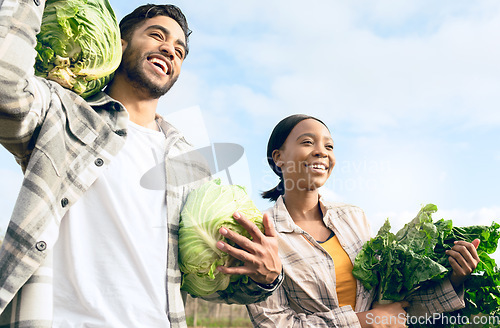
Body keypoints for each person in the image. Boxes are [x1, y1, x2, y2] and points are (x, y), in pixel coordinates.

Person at [0, 3, 281, 327]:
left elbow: (208, 277)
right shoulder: (64, 113)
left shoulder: (191, 163)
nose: (170, 50)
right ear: (119, 45)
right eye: (156, 35)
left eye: (180, 50)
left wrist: (265, 276)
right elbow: (6, 88)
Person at [246, 114, 480, 327]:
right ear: (278, 158)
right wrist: (365, 321)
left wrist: (455, 278)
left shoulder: (353, 217)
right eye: (308, 142)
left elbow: (393, 309)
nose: (322, 152)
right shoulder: (263, 236)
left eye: (329, 146)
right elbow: (273, 322)